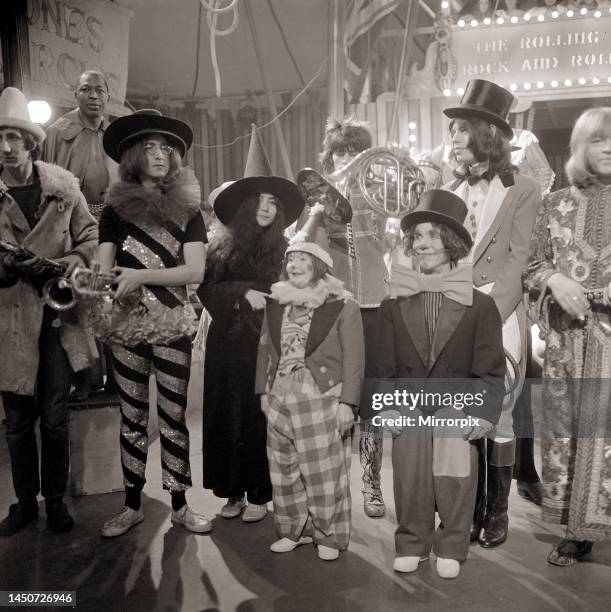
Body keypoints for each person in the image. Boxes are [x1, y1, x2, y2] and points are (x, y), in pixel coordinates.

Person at [375, 189, 505, 578]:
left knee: (455, 475)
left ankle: (452, 543)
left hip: (456, 407)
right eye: (417, 236)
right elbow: (384, 366)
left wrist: (481, 412)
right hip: (409, 404)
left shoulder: (480, 306)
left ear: (451, 243)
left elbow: (490, 369)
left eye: (433, 235)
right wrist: (388, 407)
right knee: (409, 473)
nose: (424, 243)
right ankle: (412, 540)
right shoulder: (392, 303)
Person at [97, 109, 209, 537]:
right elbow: (105, 270)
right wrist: (102, 280)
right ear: (132, 156)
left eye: (167, 148)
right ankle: (131, 504)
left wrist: (141, 276)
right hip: (125, 327)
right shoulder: (113, 211)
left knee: (174, 416)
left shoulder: (189, 210)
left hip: (173, 325)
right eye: (149, 146)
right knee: (132, 417)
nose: (160, 154)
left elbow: (195, 271)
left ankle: (180, 504)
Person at [443, 79, 541, 548]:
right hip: (454, 311)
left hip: (498, 316)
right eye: (454, 130)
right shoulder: (450, 189)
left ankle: (497, 511)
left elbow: (519, 260)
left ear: (487, 132)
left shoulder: (524, 189)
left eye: (463, 129)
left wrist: (486, 313)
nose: (455, 138)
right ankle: (471, 506)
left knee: (498, 414)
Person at [0, 87, 98, 536]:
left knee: (55, 419)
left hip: (59, 319)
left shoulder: (63, 187)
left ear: (31, 143)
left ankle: (55, 501)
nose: (6, 147)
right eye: (0, 137)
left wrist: (58, 266)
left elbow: (90, 239)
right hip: (9, 320)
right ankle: (24, 504)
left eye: (15, 137)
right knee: (18, 423)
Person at [197, 126, 304, 523]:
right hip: (228, 344)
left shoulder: (285, 249)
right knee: (227, 417)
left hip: (268, 345)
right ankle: (233, 492)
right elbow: (207, 291)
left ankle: (261, 491)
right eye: (259, 200)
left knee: (264, 419)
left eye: (273, 202)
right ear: (244, 205)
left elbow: (294, 290)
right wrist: (242, 292)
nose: (266, 207)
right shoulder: (218, 246)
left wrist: (269, 298)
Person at [524, 106, 611, 566]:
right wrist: (555, 281)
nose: (609, 147)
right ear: (581, 146)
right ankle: (578, 531)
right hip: (568, 345)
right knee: (571, 437)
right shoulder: (554, 203)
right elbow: (533, 264)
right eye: (599, 139)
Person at [255, 232, 365, 561]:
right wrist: (262, 389)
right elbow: (263, 348)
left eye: (303, 259)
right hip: (279, 395)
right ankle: (293, 530)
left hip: (321, 395)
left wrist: (348, 403)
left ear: (319, 266)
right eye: (291, 259)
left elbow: (355, 359)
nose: (295, 264)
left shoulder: (343, 305)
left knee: (323, 471)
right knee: (282, 469)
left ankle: (328, 535)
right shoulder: (276, 301)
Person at [311, 116, 389, 518]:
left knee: (373, 400)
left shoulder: (383, 195)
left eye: (353, 150)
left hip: (375, 304)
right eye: (339, 150)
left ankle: (372, 483)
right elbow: (306, 248)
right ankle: (333, 483)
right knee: (335, 398)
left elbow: (393, 242)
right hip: (335, 307)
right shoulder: (320, 201)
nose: (346, 157)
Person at [42, 69, 119, 400]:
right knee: (81, 297)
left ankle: (118, 377)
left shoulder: (115, 134)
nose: (93, 96)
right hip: (74, 223)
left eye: (99, 91)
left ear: (107, 97)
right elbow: (47, 180)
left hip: (112, 221)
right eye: (86, 89)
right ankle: (85, 377)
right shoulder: (57, 133)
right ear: (75, 94)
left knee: (113, 295)